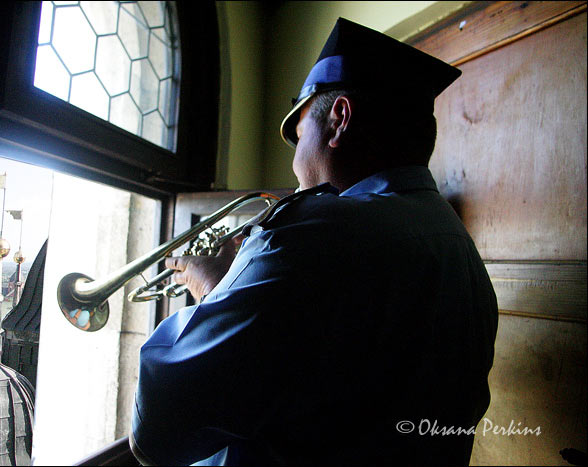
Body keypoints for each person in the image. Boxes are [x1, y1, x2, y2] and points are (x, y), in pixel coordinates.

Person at [130, 18, 498, 466]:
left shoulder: (309, 238)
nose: (295, 168)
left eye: (299, 137)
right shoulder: (464, 254)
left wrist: (215, 291)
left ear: (339, 119)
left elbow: (155, 431)